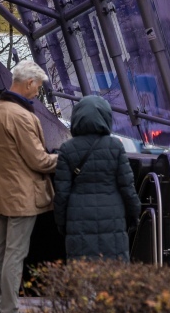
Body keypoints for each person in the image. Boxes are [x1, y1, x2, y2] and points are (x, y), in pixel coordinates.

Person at [0, 60, 58, 313]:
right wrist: (65, 158)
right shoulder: (21, 116)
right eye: (38, 87)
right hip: (23, 195)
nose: (38, 92)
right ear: (29, 83)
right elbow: (39, 160)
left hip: (0, 192)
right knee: (15, 254)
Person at [53, 95, 140, 261]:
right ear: (105, 117)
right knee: (114, 268)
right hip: (112, 216)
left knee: (82, 268)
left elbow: (61, 193)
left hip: (78, 218)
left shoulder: (67, 149)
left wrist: (62, 222)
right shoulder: (115, 146)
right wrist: (134, 214)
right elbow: (128, 187)